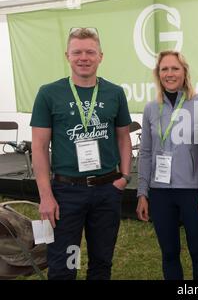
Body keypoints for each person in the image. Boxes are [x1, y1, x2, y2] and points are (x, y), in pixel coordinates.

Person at [30, 27, 132, 280]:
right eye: (77, 52)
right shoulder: (49, 93)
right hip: (66, 193)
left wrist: (124, 177)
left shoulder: (115, 93)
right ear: (67, 55)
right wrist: (46, 196)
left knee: (101, 261)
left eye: (90, 52)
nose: (83, 57)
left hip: (107, 190)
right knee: (64, 264)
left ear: (101, 56)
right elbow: (39, 148)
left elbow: (123, 138)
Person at [136, 50, 198, 280]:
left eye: (175, 68)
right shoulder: (151, 108)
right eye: (164, 69)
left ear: (185, 72)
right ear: (158, 74)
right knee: (169, 252)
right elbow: (146, 152)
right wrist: (142, 192)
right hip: (160, 192)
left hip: (193, 191)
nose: (169, 74)